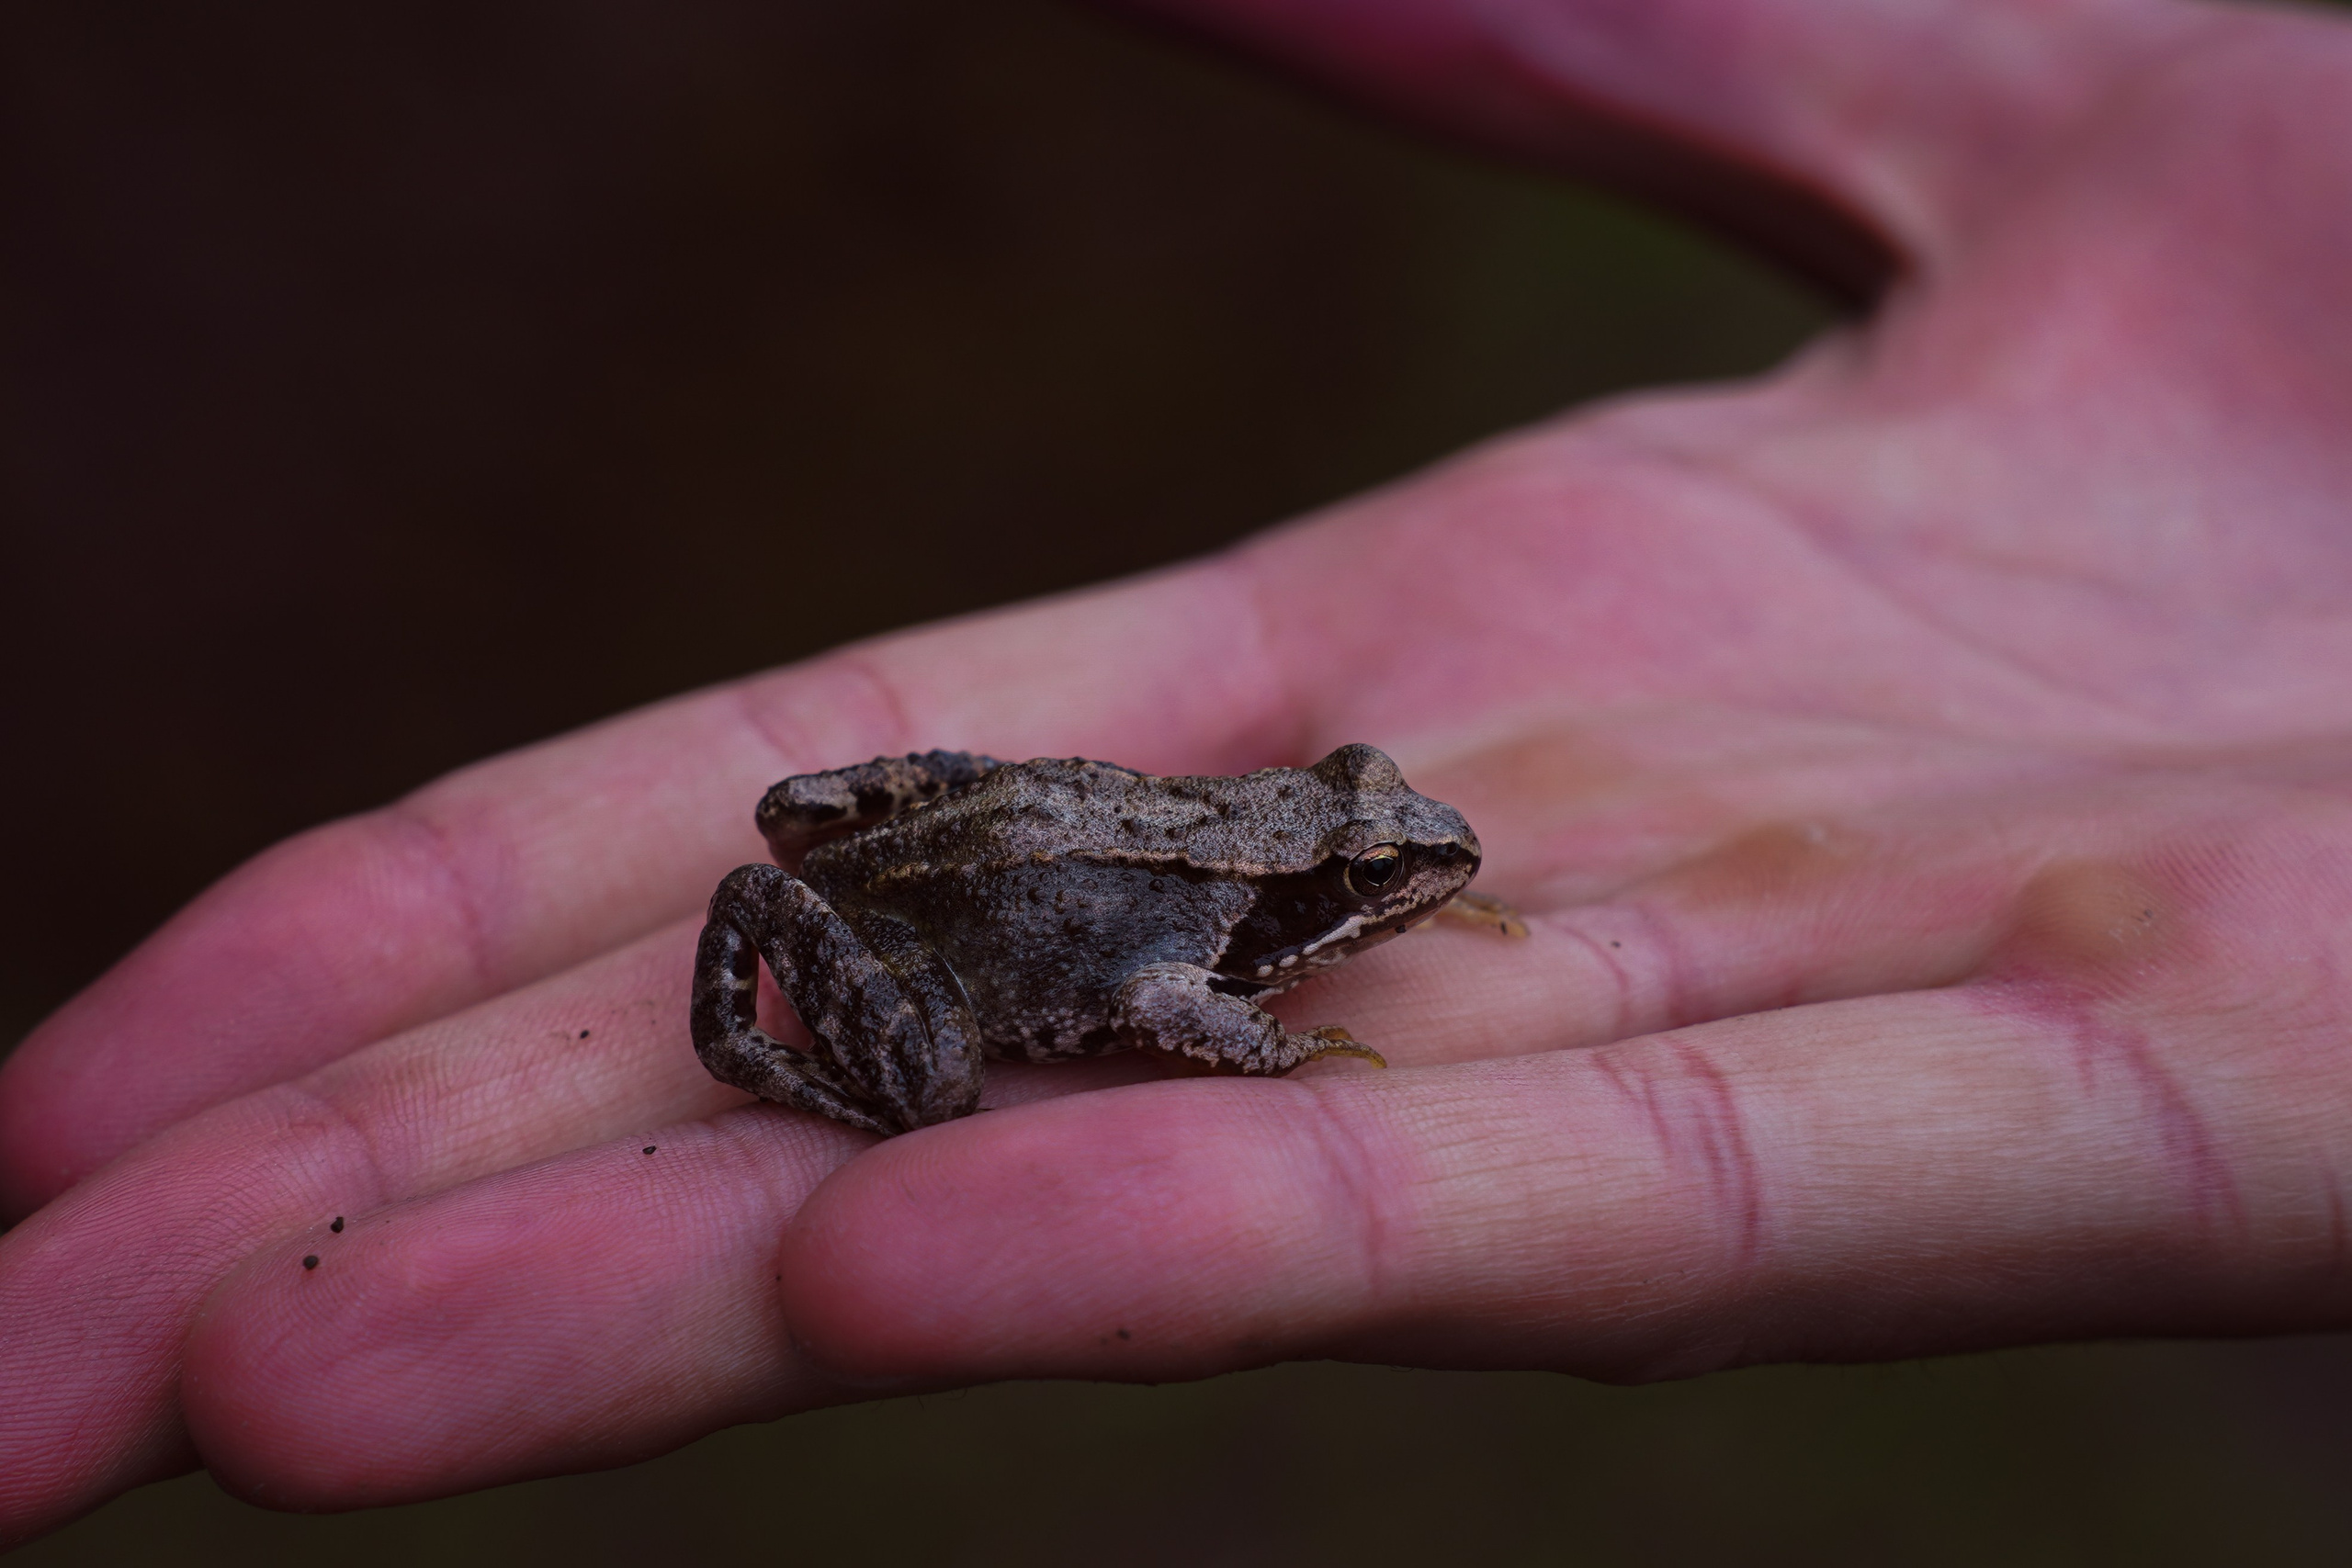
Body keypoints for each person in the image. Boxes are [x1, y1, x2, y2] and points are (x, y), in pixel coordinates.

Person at [6, 0, 2351, 1544]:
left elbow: (1161, 874)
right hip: (1002, 921)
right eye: (1368, 856)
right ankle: (830, 1072)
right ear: (1296, 870)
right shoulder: (1236, 934)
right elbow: (1168, 1008)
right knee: (932, 1109)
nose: (1405, 870)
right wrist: (1268, 1022)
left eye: (1373, 849)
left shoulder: (1270, 841)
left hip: (975, 832)